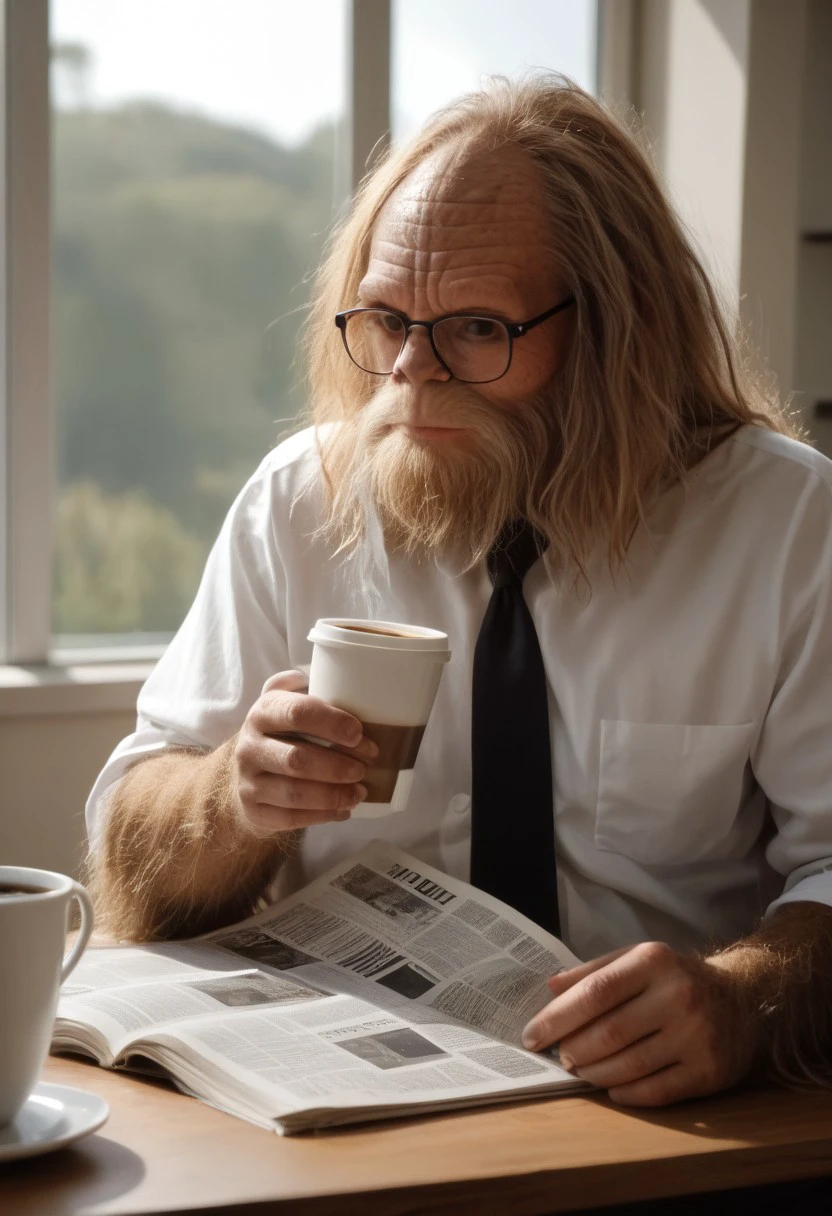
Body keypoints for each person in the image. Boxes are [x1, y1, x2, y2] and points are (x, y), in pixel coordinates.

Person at [86, 76, 832, 1112]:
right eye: (388, 318)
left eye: (477, 328)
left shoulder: (786, 523)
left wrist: (743, 1000)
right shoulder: (303, 498)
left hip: (663, 1120)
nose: (409, 374)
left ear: (626, 327)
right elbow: (128, 846)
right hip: (333, 1097)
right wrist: (230, 796)